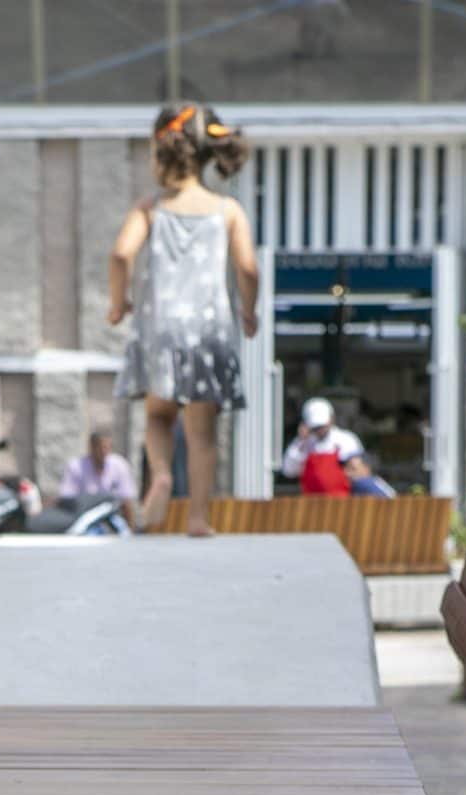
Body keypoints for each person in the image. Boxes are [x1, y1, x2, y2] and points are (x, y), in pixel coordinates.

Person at [109, 103, 260, 536]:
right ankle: (197, 516)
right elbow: (248, 269)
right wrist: (248, 311)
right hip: (210, 330)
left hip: (161, 329)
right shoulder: (227, 210)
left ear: (164, 154)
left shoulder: (151, 208)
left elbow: (121, 254)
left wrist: (118, 304)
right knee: (203, 431)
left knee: (159, 416)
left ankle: (159, 474)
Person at [280, 397, 363, 497]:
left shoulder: (346, 440)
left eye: (322, 426)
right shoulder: (304, 444)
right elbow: (289, 471)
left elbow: (359, 472)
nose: (319, 430)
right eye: (316, 427)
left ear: (332, 419)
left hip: (341, 504)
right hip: (311, 504)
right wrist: (300, 441)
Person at [59, 430, 140, 525]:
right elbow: (67, 498)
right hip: (83, 520)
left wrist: (130, 533)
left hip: (113, 519)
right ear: (92, 447)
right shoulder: (76, 466)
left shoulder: (119, 465)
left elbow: (127, 501)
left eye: (107, 448)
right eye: (101, 448)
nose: (104, 452)